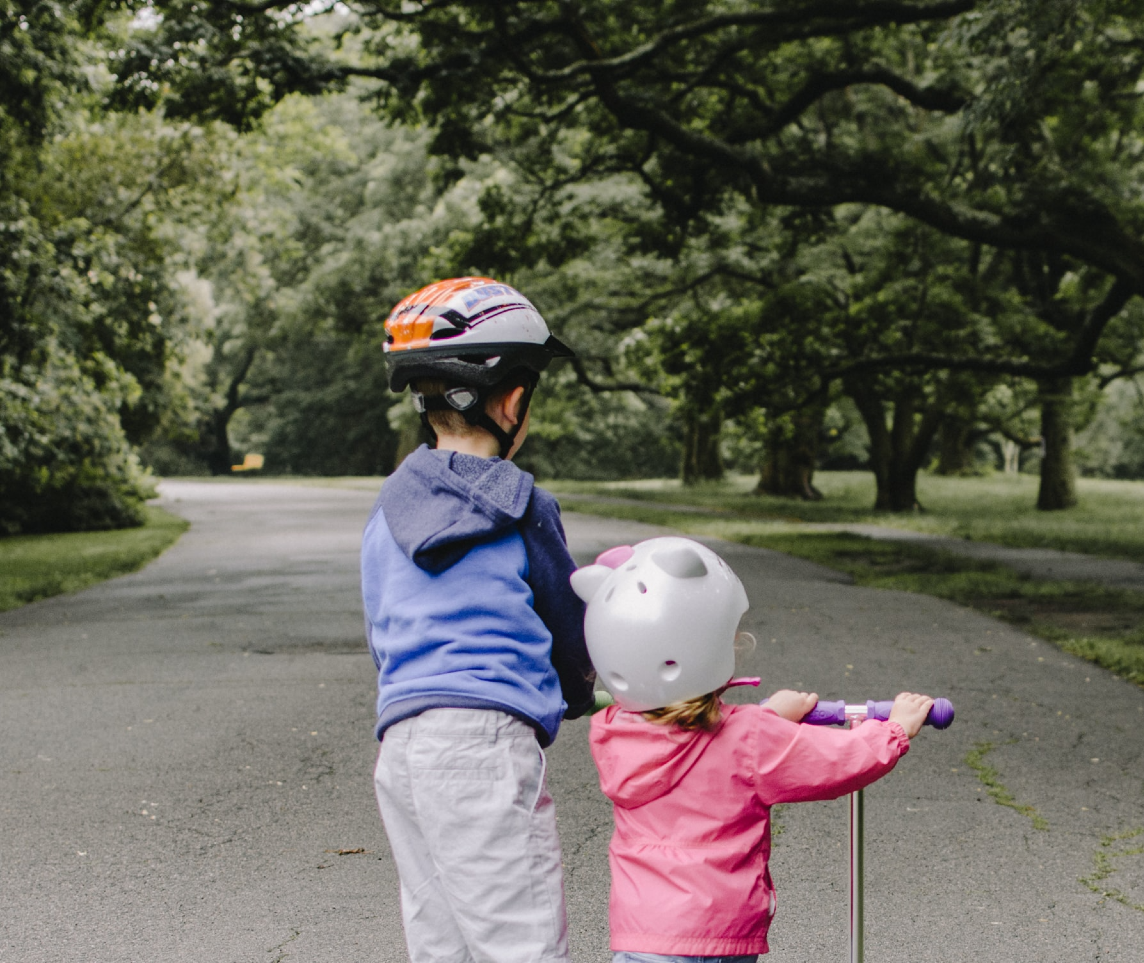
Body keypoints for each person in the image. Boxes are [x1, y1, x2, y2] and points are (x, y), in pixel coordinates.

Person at [362, 276, 593, 963]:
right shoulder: (524, 507)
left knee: (442, 942)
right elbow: (567, 624)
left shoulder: (385, 511)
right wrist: (580, 690)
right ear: (515, 399)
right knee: (521, 942)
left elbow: (384, 629)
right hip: (483, 746)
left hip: (402, 745)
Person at [569, 536, 935, 962]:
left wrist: (772, 718)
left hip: (642, 937)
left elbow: (704, 745)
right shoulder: (750, 736)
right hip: (716, 933)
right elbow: (837, 761)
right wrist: (894, 730)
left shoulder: (615, 732)